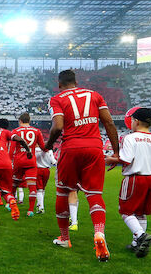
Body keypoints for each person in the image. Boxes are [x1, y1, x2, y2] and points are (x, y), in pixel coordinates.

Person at [45, 69, 119, 262]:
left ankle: (64, 238)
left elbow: (58, 126)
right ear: (76, 81)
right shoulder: (95, 95)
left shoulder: (57, 99)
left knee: (63, 191)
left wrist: (48, 145)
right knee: (94, 194)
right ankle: (99, 234)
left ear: (59, 84)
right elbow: (109, 123)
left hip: (71, 149)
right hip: (94, 149)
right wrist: (116, 152)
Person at [105, 107, 151, 258]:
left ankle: (141, 236)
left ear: (136, 121)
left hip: (135, 178)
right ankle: (136, 244)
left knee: (126, 211)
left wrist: (110, 159)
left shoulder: (130, 138)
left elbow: (126, 159)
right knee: (140, 213)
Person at [11, 112, 46, 217]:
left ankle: (11, 205)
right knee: (32, 186)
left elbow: (11, 149)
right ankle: (30, 210)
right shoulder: (37, 131)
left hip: (18, 161)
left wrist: (10, 160)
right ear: (29, 121)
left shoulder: (15, 131)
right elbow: (43, 147)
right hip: (31, 161)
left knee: (14, 184)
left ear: (20, 121)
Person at [35, 146, 57, 214]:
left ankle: (41, 207)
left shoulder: (35, 150)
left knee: (39, 189)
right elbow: (53, 161)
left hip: (38, 169)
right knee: (43, 189)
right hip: (47, 170)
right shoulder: (49, 150)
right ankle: (39, 204)